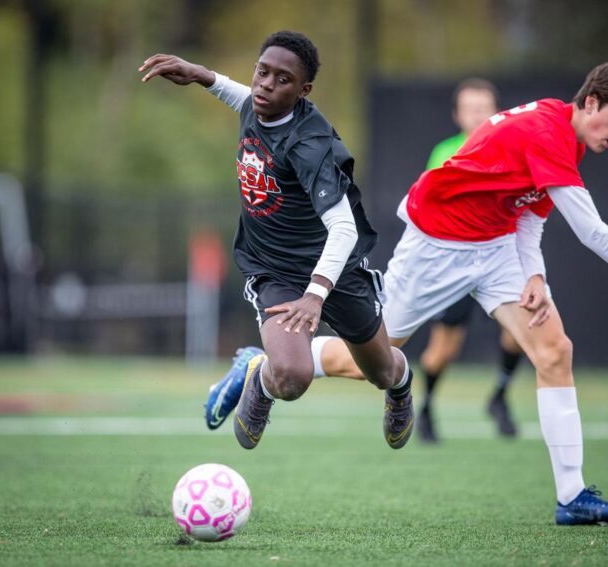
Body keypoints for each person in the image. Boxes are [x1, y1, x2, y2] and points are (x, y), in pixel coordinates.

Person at [309, 52, 608, 525]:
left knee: (554, 351)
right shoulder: (549, 134)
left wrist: (535, 276)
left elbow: (528, 219)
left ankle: (572, 497)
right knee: (374, 361)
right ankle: (269, 363)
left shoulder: (568, 136)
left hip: (495, 244)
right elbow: (591, 232)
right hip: (438, 244)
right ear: (590, 102)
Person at [138, 31, 415, 450]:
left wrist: (316, 294)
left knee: (381, 372)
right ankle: (261, 379)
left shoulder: (309, 145)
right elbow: (242, 98)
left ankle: (402, 387)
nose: (266, 84)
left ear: (303, 91)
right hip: (274, 268)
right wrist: (201, 75)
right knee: (292, 376)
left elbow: (344, 228)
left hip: (334, 270)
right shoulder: (259, 103)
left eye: (282, 79)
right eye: (261, 71)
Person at [416, 78, 524, 443]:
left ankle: (499, 396)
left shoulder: (513, 148)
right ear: (457, 114)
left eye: (484, 108)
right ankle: (426, 408)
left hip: (499, 259)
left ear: (497, 112)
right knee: (444, 350)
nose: (478, 115)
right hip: (455, 264)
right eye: (470, 108)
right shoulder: (444, 152)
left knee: (523, 330)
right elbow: (429, 205)